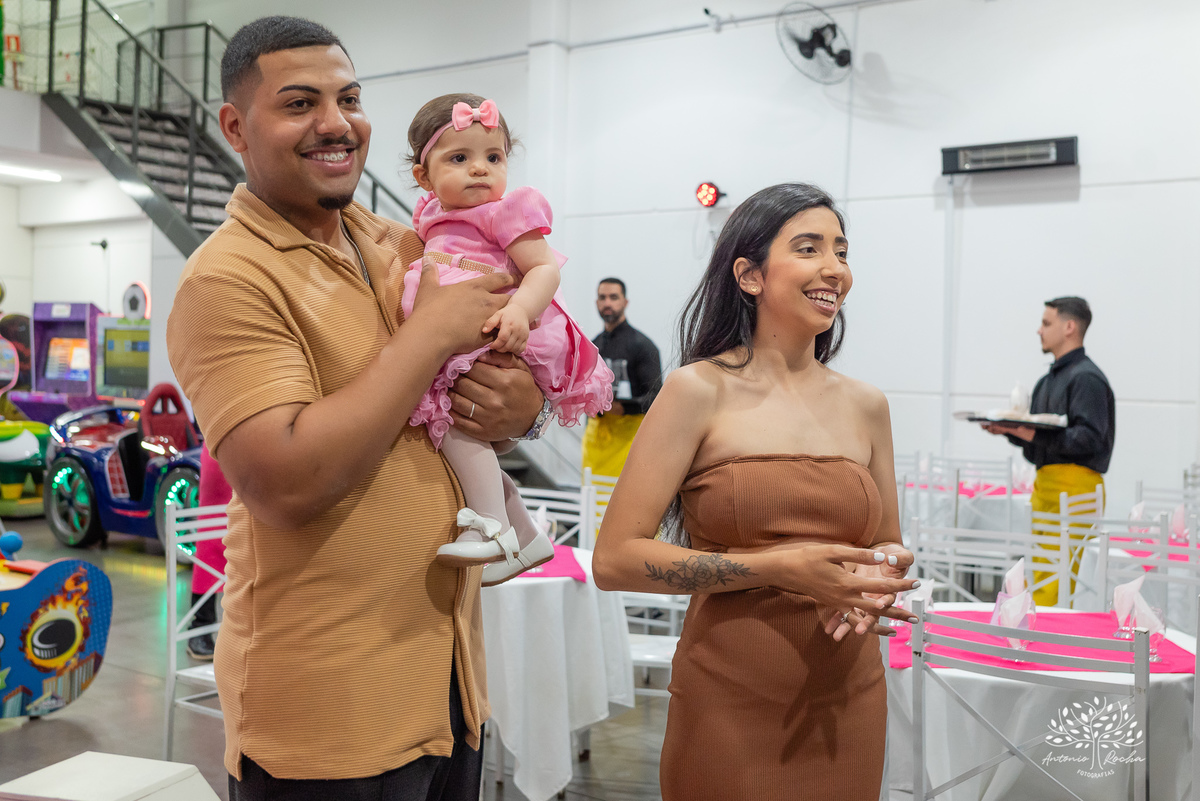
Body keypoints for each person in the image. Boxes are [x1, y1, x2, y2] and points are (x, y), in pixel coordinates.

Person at [166, 16, 548, 798]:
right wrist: (428, 339)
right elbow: (286, 481)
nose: (336, 124)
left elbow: (493, 362)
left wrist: (523, 408)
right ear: (236, 127)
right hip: (326, 707)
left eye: (349, 98)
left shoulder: (397, 242)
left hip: (448, 681)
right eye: (300, 103)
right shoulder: (227, 279)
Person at [591, 183, 920, 800]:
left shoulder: (866, 405)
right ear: (748, 274)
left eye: (842, 251)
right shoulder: (697, 390)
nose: (834, 269)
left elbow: (888, 544)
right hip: (730, 691)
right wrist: (776, 567)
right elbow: (613, 560)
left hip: (847, 693)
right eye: (809, 247)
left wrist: (880, 575)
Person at [398, 94, 613, 584]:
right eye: (459, 158)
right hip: (460, 332)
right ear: (423, 178)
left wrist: (519, 310)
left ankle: (491, 528)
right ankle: (524, 533)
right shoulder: (428, 218)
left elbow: (543, 269)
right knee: (452, 427)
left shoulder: (504, 211)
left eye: (493, 158)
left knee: (454, 425)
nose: (480, 170)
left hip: (502, 329)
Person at [983, 296, 1114, 606]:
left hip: (1075, 489)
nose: (1038, 330)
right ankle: (1040, 644)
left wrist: (1027, 431)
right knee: (1041, 577)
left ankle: (1055, 647)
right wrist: (1011, 430)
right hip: (1046, 486)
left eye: (1046, 323)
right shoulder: (1046, 382)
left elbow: (1090, 439)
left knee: (1061, 581)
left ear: (1069, 327)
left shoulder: (1087, 379)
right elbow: (1040, 442)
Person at [580, 278, 662, 479]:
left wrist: (624, 408)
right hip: (596, 441)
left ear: (625, 302)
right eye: (602, 297)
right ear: (596, 303)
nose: (607, 302)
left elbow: (656, 397)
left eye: (613, 297)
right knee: (593, 503)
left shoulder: (643, 346)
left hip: (631, 441)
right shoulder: (593, 346)